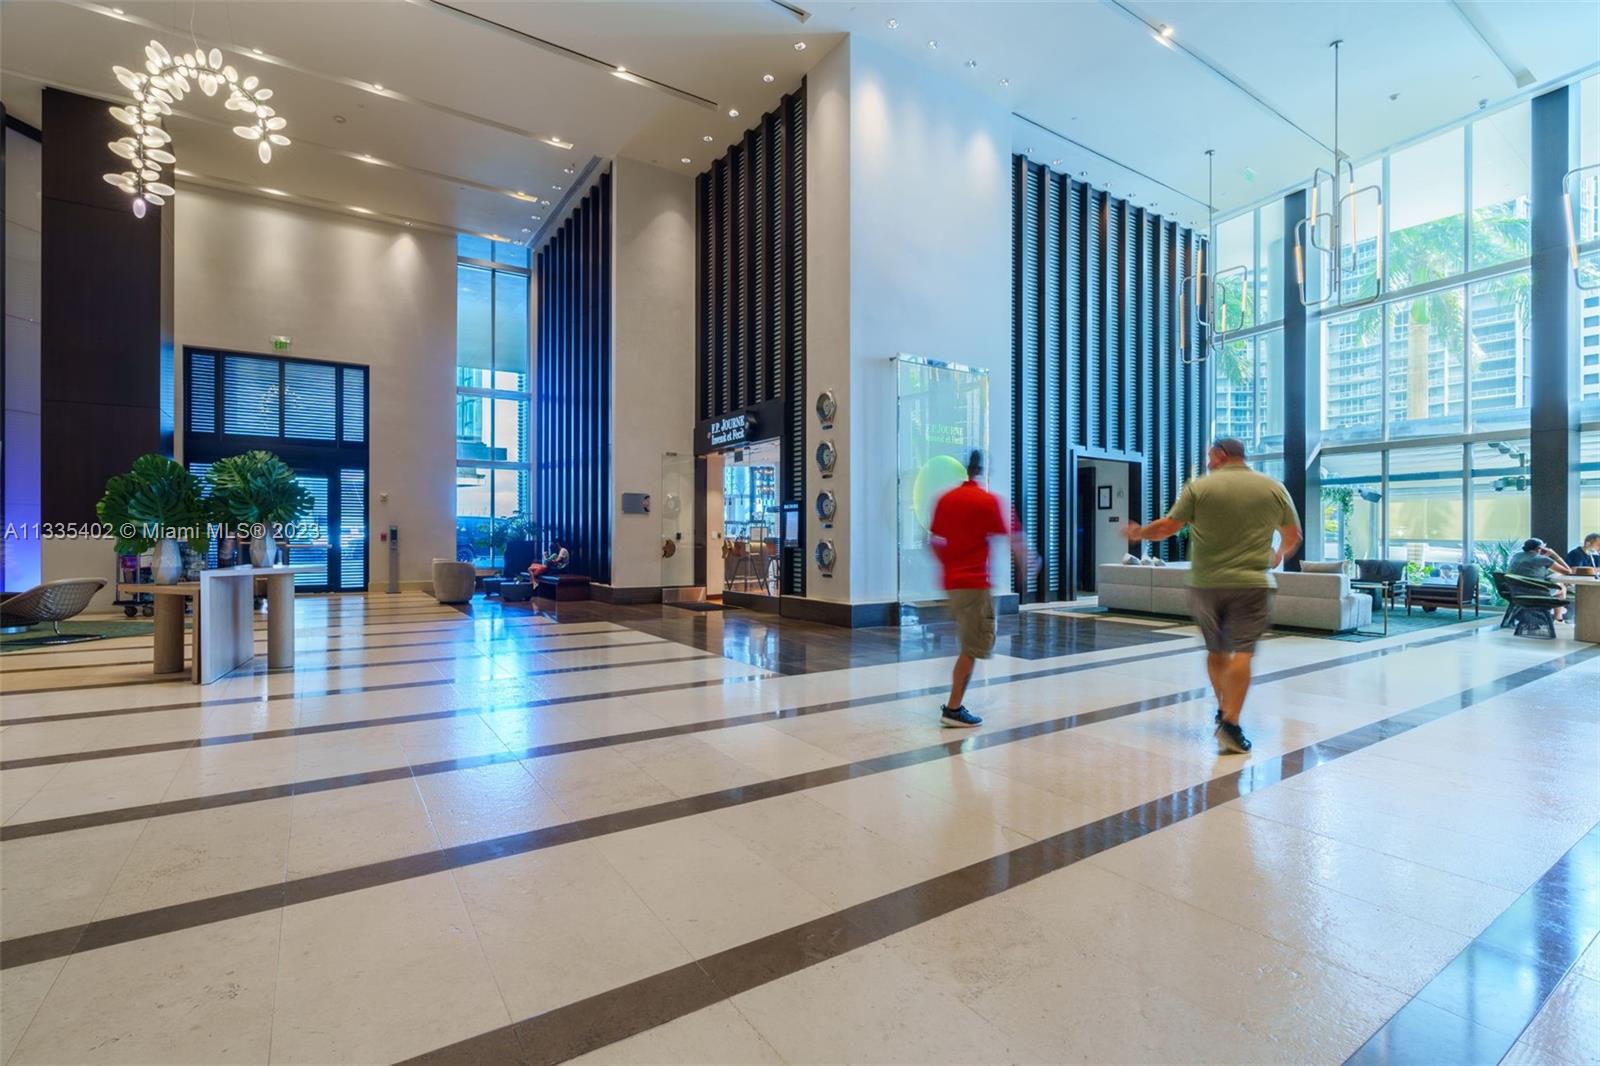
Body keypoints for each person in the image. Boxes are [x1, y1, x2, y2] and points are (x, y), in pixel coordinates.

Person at [1122, 438, 1301, 755]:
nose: (1207, 463)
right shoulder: (1273, 488)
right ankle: (1230, 722)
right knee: (1243, 653)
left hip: (1206, 584)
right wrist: (1277, 555)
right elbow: (1293, 537)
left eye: (1209, 457)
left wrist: (1139, 533)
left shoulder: (1198, 488)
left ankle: (1223, 709)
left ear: (1220, 455)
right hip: (1252, 583)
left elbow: (1168, 527)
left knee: (1217, 650)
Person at [928, 450, 1028, 729]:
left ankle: (954, 704)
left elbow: (934, 541)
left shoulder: (946, 500)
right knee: (972, 647)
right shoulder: (987, 501)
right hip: (973, 584)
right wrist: (1026, 569)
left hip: (952, 585)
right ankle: (953, 708)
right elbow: (1016, 542)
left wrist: (949, 567)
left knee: (968, 644)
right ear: (982, 471)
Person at [1508, 537, 1572, 622]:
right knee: (1562, 588)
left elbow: (1532, 563)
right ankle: (1558, 619)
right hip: (1536, 592)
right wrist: (1555, 555)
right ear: (1540, 548)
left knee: (1557, 586)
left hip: (1516, 591)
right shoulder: (1543, 559)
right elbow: (1568, 571)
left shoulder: (1517, 556)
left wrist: (1544, 557)